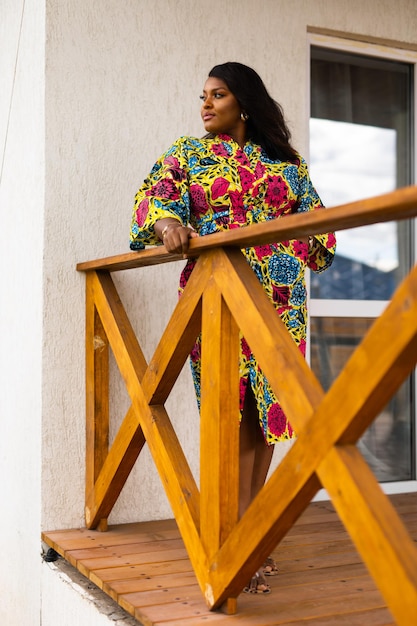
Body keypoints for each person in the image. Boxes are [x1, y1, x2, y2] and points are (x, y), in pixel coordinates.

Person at [130, 61, 336, 594]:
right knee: (227, 407)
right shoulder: (188, 154)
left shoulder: (286, 165)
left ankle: (250, 537)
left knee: (267, 413)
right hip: (215, 294)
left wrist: (296, 239)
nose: (205, 104)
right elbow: (154, 195)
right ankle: (231, 539)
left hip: (279, 298)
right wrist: (168, 223)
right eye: (203, 95)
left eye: (217, 95)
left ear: (243, 102)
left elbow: (320, 234)